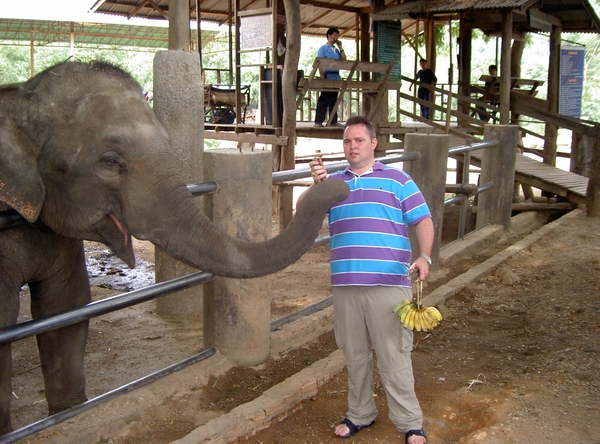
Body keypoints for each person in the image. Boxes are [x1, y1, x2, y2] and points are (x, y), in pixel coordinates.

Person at [299, 116, 433, 444]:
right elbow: (303, 213)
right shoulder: (333, 186)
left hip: (388, 282)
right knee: (354, 353)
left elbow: (423, 219)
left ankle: (410, 422)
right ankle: (360, 413)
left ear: (373, 143)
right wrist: (317, 186)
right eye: (347, 142)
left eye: (359, 140)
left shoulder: (398, 180)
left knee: (393, 353)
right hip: (346, 285)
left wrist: (424, 256)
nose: (352, 146)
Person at [314, 27, 347, 127]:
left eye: (337, 36)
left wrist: (341, 48)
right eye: (334, 36)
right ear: (329, 36)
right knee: (324, 99)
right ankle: (319, 121)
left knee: (334, 100)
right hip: (327, 75)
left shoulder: (336, 51)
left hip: (336, 77)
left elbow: (344, 60)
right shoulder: (323, 49)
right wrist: (323, 78)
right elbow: (320, 63)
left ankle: (333, 121)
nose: (336, 38)